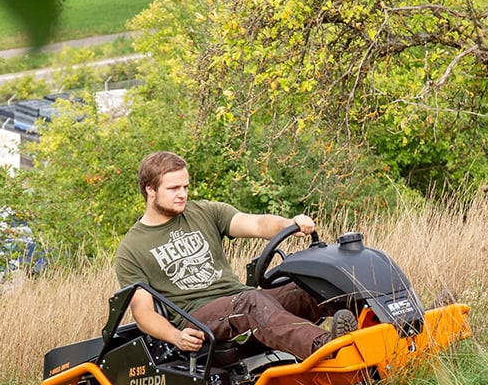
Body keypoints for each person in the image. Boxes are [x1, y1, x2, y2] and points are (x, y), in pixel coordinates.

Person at [114, 151, 356, 360]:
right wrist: (176, 336)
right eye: (173, 188)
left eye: (185, 187)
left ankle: (369, 333)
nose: (183, 194)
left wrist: (289, 224)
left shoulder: (205, 212)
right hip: (197, 317)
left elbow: (257, 224)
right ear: (150, 189)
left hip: (238, 299)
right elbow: (143, 313)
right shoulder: (131, 249)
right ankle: (330, 349)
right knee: (250, 302)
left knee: (306, 287)